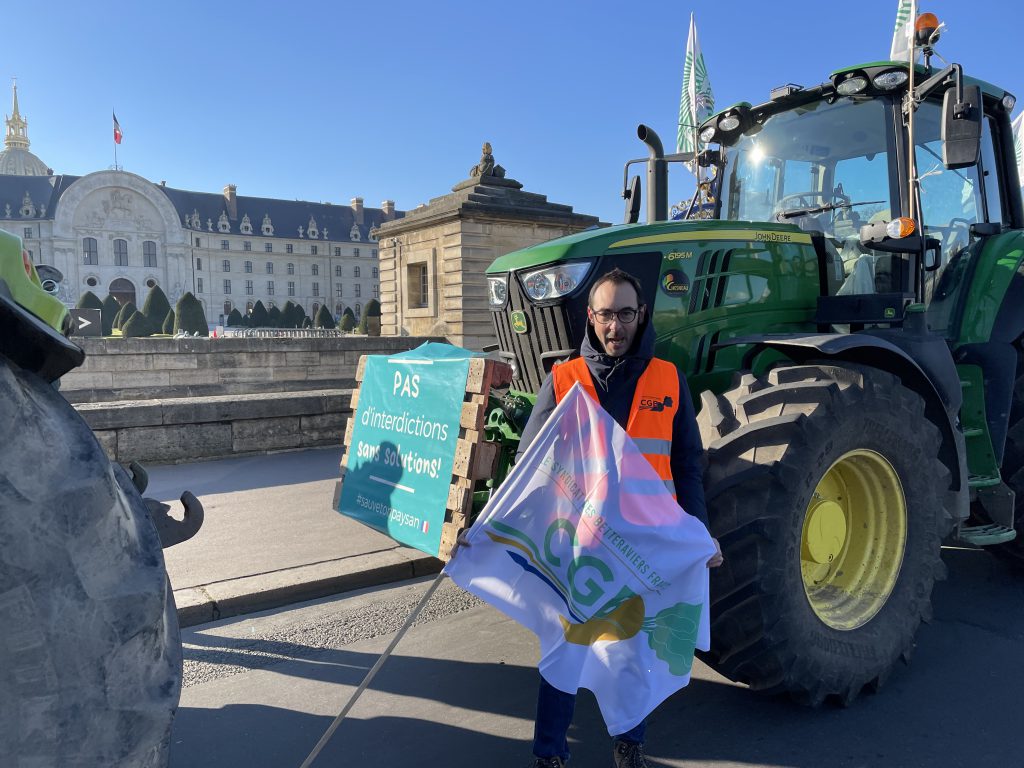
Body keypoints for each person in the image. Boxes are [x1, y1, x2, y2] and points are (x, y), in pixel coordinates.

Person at [515, 267, 723, 768]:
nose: (615, 326)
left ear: (640, 315)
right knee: (565, 651)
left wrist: (698, 532)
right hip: (580, 547)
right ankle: (549, 754)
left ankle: (630, 745)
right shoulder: (564, 380)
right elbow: (529, 467)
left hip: (642, 545)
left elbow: (687, 465)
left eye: (625, 314)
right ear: (591, 317)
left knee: (633, 654)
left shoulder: (669, 379)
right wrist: (485, 533)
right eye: (606, 314)